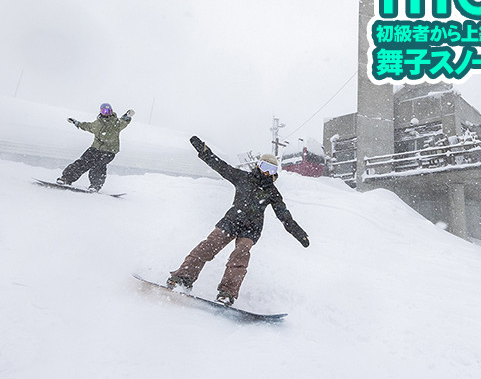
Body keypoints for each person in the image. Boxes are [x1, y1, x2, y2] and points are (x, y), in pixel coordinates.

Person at [167, 136, 310, 306]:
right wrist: (204, 151)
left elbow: (284, 216)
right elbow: (220, 166)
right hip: (232, 220)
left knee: (240, 255)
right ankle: (183, 277)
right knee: (209, 245)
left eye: (271, 170)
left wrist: (299, 234)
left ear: (274, 173)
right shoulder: (243, 178)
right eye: (264, 167)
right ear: (258, 165)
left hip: (251, 229)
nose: (266, 173)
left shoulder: (273, 192)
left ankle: (227, 293)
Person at [57, 103, 134, 191]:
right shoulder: (97, 123)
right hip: (95, 148)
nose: (106, 113)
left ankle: (95, 185)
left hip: (109, 151)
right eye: (103, 111)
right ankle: (66, 179)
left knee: (99, 165)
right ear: (101, 112)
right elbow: (87, 126)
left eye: (108, 111)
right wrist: (76, 123)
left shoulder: (116, 123)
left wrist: (127, 115)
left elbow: (123, 121)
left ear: (111, 111)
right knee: (83, 162)